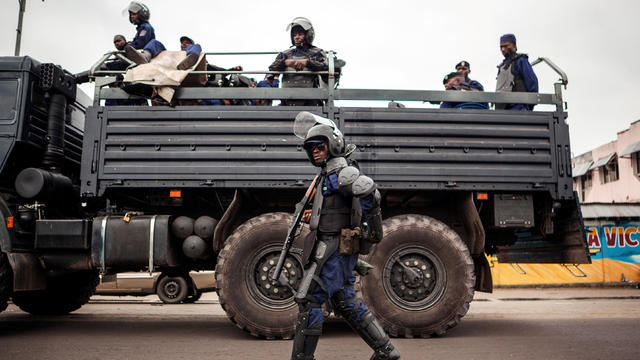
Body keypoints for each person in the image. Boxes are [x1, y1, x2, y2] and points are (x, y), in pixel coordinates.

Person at [289, 112, 401, 360]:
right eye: (311, 149)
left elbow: (370, 193)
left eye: (320, 146)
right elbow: (337, 208)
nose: (315, 152)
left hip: (334, 248)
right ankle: (386, 352)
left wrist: (372, 232)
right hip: (330, 247)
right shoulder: (327, 173)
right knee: (344, 300)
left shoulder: (342, 171)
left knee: (310, 300)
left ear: (332, 144)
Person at [269, 17, 343, 105]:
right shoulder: (285, 54)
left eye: (300, 34)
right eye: (294, 35)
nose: (296, 37)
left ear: (308, 35)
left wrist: (308, 63)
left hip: (311, 100)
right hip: (287, 99)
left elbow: (324, 67)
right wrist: (285, 62)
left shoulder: (317, 52)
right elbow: (272, 68)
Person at [495, 33, 539, 110]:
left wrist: (530, 105)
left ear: (514, 45)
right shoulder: (501, 66)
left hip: (518, 107)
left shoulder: (521, 61)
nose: (503, 49)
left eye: (506, 46)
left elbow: (532, 82)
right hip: (502, 110)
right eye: (501, 47)